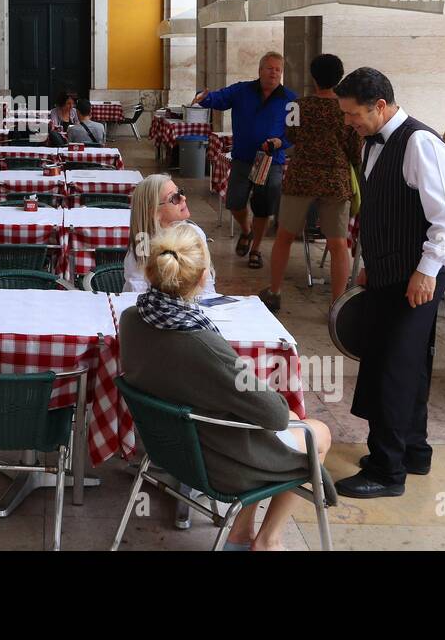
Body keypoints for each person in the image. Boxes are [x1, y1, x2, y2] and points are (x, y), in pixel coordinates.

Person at [118, 223, 334, 550]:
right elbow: (274, 415)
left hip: (168, 450)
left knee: (268, 419)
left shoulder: (132, 319)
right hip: (217, 463)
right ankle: (268, 540)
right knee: (316, 432)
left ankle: (241, 534)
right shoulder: (204, 345)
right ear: (203, 277)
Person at [333, 67, 445, 498]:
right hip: (391, 271)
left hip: (417, 275)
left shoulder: (420, 143)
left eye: (353, 114)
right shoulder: (375, 143)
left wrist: (426, 272)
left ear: (381, 106)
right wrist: (372, 262)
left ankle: (388, 472)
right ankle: (412, 449)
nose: (349, 121)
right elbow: (385, 210)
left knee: (392, 369)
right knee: (410, 364)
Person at [259, 54, 362, 311]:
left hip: (300, 177)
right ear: (340, 78)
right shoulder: (346, 108)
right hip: (335, 180)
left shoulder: (296, 106)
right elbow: (355, 148)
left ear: (313, 77)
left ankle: (274, 291)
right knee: (339, 244)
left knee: (284, 236)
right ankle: (337, 304)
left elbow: (291, 136)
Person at [193, 52, 295, 269]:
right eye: (269, 68)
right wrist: (205, 97)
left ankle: (256, 248)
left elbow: (294, 132)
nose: (274, 72)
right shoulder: (242, 90)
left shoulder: (289, 99)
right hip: (243, 158)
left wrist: (280, 142)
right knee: (235, 201)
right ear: (260, 70)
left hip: (271, 161)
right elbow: (220, 99)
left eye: (278, 69)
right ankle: (246, 231)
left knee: (263, 207)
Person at [123, 174, 216, 298]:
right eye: (174, 198)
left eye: (180, 192)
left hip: (192, 310)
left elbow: (207, 287)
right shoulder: (143, 242)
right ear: (153, 211)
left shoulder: (195, 233)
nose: (183, 198)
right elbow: (136, 293)